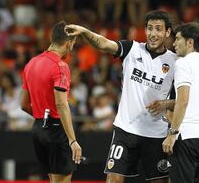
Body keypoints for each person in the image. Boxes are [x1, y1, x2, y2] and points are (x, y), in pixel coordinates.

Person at [65, 10, 176, 183]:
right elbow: (103, 44)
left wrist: (166, 103)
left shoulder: (175, 62)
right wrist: (85, 32)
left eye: (159, 29)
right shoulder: (132, 49)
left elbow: (183, 101)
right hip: (126, 130)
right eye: (150, 28)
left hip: (156, 133)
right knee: (114, 178)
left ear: (167, 32)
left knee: (160, 181)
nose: (153, 34)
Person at [160, 22, 199, 183]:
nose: (173, 43)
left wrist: (172, 134)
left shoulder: (183, 63)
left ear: (190, 42)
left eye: (178, 39)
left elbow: (183, 100)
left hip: (186, 136)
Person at [20, 21, 82, 183]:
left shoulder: (31, 63)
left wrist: (42, 120)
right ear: (68, 43)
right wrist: (73, 140)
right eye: (73, 43)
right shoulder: (61, 66)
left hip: (38, 130)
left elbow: (23, 105)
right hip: (56, 131)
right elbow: (61, 105)